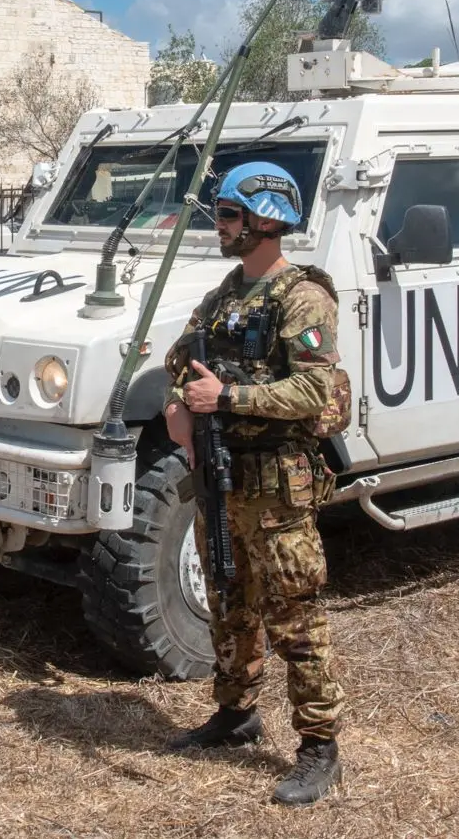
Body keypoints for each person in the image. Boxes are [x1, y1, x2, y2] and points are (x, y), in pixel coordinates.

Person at [162, 161, 351, 807]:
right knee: (228, 599)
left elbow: (315, 388)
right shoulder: (225, 296)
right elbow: (180, 355)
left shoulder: (303, 297)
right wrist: (177, 403)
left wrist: (226, 396)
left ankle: (320, 747)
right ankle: (236, 712)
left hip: (278, 487)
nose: (218, 225)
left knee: (294, 616)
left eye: (227, 214)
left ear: (265, 220)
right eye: (219, 213)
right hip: (224, 478)